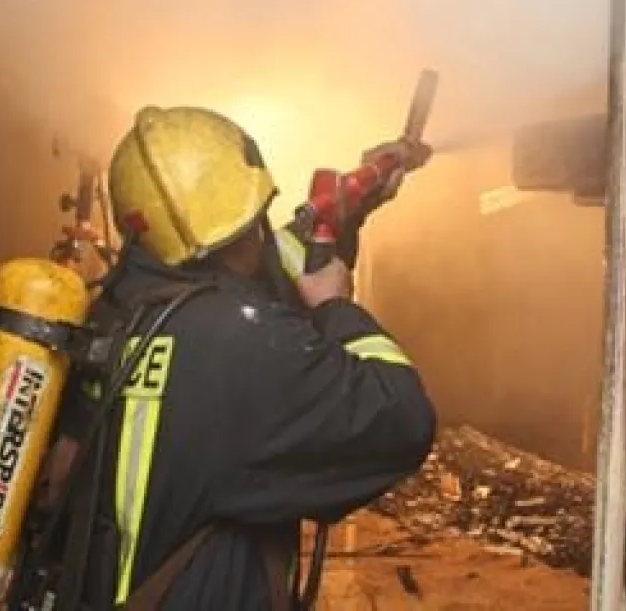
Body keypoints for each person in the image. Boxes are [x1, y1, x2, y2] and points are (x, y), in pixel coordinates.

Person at [24, 105, 436, 611]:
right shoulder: (240, 346)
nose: (264, 230)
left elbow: (260, 270)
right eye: (255, 216)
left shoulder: (120, 309)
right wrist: (335, 308)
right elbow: (399, 418)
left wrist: (349, 207)